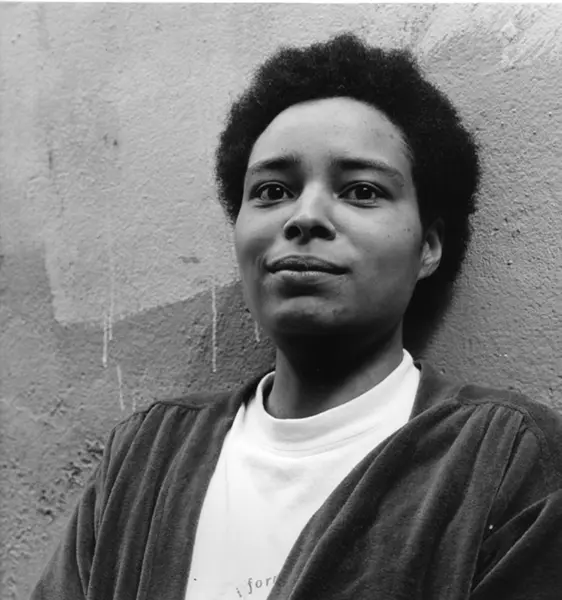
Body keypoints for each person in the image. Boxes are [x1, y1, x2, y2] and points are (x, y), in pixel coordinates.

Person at [31, 33, 562, 600]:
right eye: (271, 190)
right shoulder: (144, 459)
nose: (305, 216)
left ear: (428, 247)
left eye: (362, 191)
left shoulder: (503, 458)